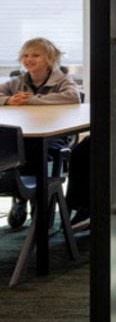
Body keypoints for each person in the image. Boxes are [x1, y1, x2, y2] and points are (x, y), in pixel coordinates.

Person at [0, 38, 85, 224]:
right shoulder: (18, 81)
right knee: (21, 147)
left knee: (36, 150)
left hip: (55, 135)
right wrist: (9, 100)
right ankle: (23, 196)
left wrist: (32, 100)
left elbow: (73, 96)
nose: (29, 59)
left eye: (35, 55)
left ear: (49, 59)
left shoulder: (61, 80)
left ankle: (34, 199)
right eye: (26, 55)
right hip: (26, 133)